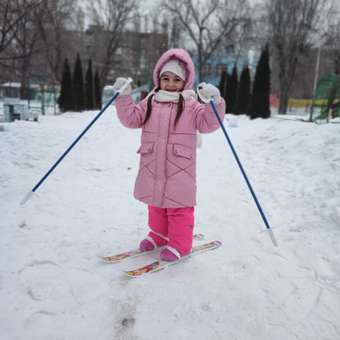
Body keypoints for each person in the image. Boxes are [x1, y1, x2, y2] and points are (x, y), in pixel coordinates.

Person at [113, 48, 225, 262]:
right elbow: (131, 119)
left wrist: (214, 103)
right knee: (155, 203)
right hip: (152, 164)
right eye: (166, 78)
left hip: (179, 167)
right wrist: (124, 97)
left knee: (178, 207)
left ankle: (181, 245)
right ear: (158, 78)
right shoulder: (150, 101)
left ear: (185, 81)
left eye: (176, 79)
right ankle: (159, 234)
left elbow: (209, 123)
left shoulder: (192, 105)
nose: (171, 83)